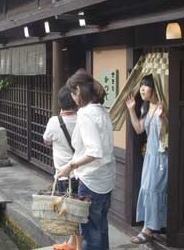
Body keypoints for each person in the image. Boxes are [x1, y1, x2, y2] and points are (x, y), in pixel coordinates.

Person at [57, 69, 116, 250]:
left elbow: (94, 151)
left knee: (90, 234)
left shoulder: (85, 114)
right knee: (101, 228)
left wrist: (70, 165)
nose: (73, 98)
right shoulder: (102, 111)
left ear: (78, 91)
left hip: (91, 181)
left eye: (73, 93)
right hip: (106, 179)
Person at [126, 75, 168, 244]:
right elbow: (138, 129)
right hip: (150, 156)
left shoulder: (163, 106)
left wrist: (163, 116)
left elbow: (167, 132)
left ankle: (148, 229)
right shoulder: (147, 107)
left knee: (154, 190)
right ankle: (155, 225)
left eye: (146, 86)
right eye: (141, 86)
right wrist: (131, 108)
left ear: (155, 87)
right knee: (149, 189)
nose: (142, 89)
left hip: (162, 156)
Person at [43, 86, 80, 250]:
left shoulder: (54, 121)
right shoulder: (81, 119)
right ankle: (72, 243)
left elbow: (46, 139)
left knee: (71, 214)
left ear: (61, 103)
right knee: (78, 210)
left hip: (63, 175)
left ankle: (79, 247)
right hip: (80, 174)